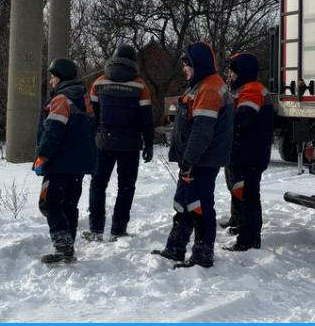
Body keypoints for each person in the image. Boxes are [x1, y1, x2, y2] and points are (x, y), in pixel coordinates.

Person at [152, 42, 233, 268]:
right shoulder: (200, 85)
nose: (184, 69)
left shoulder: (209, 89)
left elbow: (202, 131)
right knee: (184, 202)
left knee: (198, 205)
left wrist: (189, 161)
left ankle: (202, 254)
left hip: (201, 161)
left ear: (198, 64)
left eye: (187, 65)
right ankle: (175, 247)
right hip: (194, 160)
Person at [82, 44, 155, 242]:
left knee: (97, 185)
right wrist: (149, 143)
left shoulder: (98, 83)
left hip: (103, 143)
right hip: (130, 146)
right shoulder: (140, 85)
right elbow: (146, 119)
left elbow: (92, 115)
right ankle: (118, 229)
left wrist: (94, 137)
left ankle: (96, 229)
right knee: (126, 186)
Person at [33, 58, 97, 264]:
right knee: (70, 204)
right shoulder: (84, 98)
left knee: (50, 202)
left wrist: (42, 156)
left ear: (60, 77)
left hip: (60, 163)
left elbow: (53, 132)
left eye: (53, 76)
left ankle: (63, 244)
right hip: (79, 164)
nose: (51, 80)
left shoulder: (61, 99)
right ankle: (67, 244)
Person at [223, 52, 274, 251]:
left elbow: (243, 118)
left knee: (248, 196)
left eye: (232, 72)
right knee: (238, 190)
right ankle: (238, 224)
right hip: (241, 152)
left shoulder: (253, 90)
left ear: (243, 72)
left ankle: (249, 238)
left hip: (251, 152)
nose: (229, 75)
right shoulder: (240, 89)